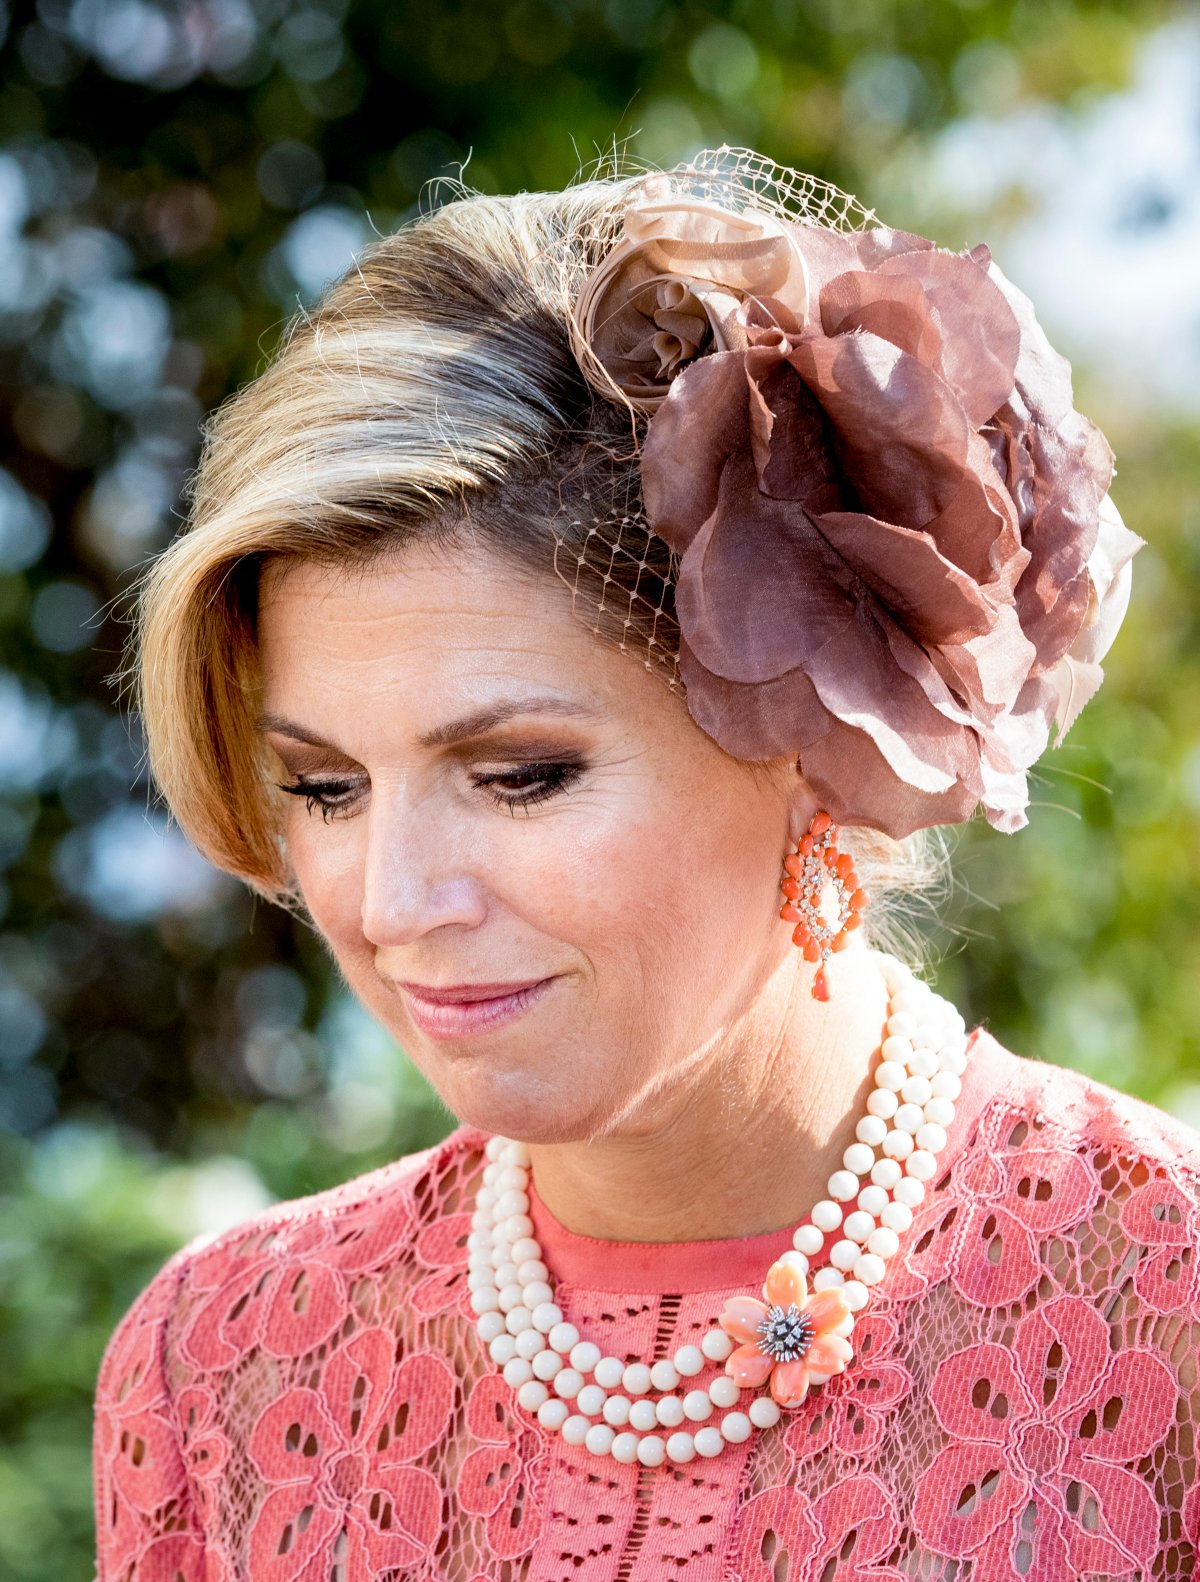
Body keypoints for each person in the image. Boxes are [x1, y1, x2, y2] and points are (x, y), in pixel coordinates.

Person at [92, 149, 1200, 1581]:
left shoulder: (1163, 1299)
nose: (388, 901)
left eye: (521, 775)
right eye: (327, 785)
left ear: (811, 716)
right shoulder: (214, 1375)